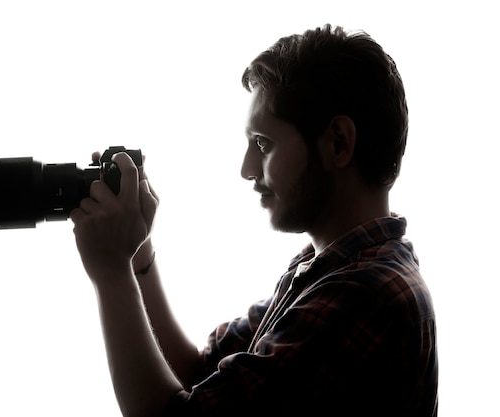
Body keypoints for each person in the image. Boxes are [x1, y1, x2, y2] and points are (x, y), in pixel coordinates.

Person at [69, 24, 438, 417]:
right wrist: (137, 252)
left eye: (263, 143)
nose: (246, 169)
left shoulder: (365, 295)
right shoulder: (328, 267)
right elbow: (196, 372)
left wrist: (111, 272)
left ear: (338, 143)